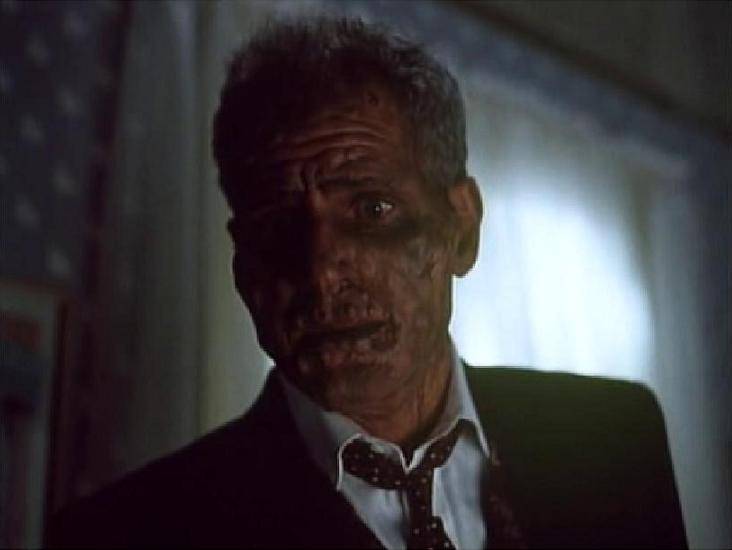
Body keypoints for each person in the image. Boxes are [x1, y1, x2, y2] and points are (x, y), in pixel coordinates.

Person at [48, 17, 687, 549]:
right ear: (244, 270)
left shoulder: (612, 440)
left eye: (372, 209)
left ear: (461, 231)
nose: (323, 269)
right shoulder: (126, 534)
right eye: (278, 226)